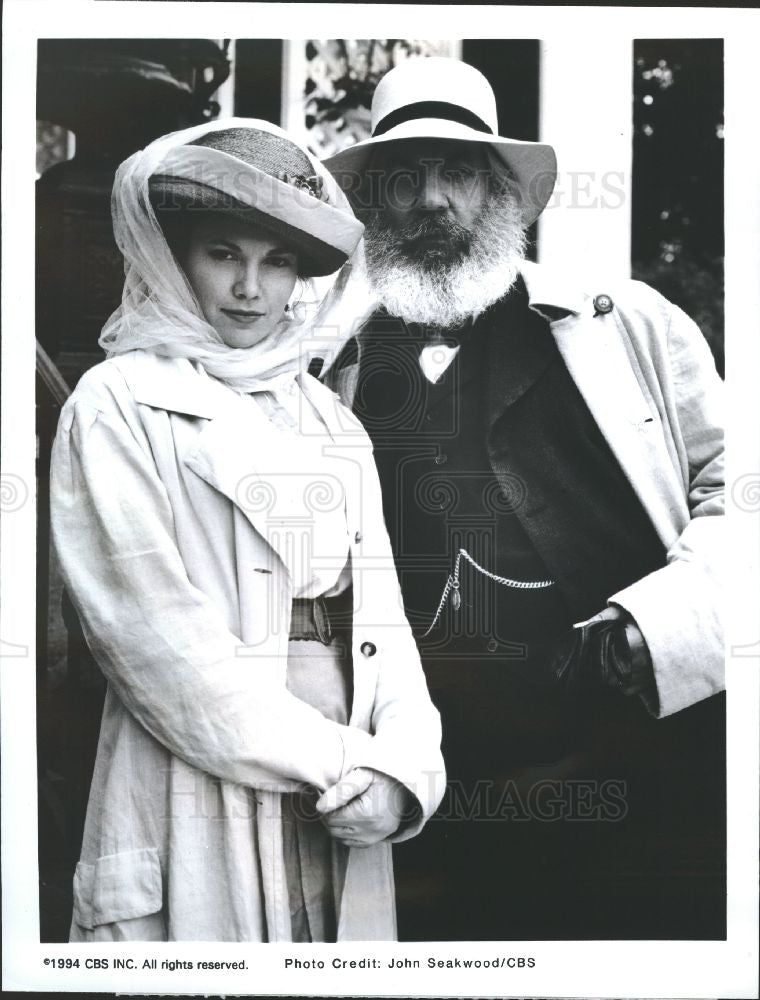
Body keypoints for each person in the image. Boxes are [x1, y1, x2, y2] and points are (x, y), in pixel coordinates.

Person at [322, 57, 725, 940]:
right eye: (404, 179)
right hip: (437, 794)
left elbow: (740, 494)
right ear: (371, 206)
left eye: (460, 173)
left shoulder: (630, 327)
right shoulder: (327, 371)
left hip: (644, 779)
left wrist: (658, 621)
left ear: (505, 194)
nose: (433, 202)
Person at [49, 118, 445, 943]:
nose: (249, 288)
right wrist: (350, 765)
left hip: (348, 775)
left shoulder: (330, 420)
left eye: (277, 263)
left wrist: (408, 769)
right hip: (201, 766)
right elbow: (158, 647)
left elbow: (384, 625)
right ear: (174, 255)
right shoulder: (118, 403)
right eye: (224, 253)